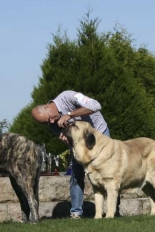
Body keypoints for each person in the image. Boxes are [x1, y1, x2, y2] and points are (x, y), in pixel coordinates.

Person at [31, 90, 109, 219]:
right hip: (81, 146)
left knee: (108, 174)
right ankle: (76, 213)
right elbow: (72, 146)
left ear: (47, 106)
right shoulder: (53, 125)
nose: (51, 122)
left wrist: (69, 114)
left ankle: (112, 210)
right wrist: (67, 139)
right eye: (47, 122)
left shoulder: (67, 96)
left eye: (49, 118)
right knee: (76, 175)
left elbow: (96, 105)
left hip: (100, 134)